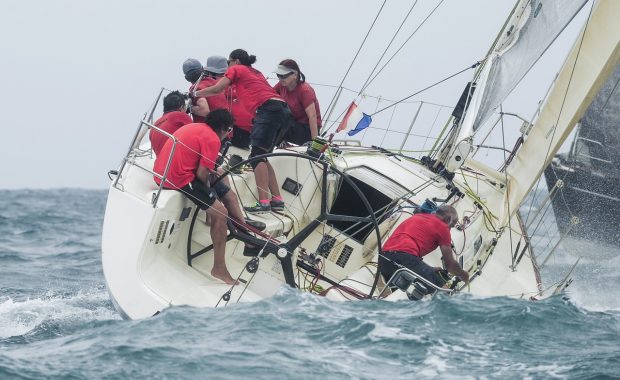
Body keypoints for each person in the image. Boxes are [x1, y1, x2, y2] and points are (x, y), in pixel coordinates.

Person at [152, 109, 259, 284]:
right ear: (224, 129)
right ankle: (219, 268)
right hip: (177, 178)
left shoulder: (197, 127)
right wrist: (212, 199)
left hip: (164, 172)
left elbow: (202, 168)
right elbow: (202, 175)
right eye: (229, 130)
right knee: (220, 213)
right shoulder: (212, 139)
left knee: (229, 195)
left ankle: (247, 237)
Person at [193, 49, 291, 213]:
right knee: (263, 157)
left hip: (268, 110)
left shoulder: (236, 69)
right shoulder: (256, 72)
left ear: (236, 61)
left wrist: (195, 93)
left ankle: (264, 203)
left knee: (256, 157)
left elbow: (217, 89)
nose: (227, 67)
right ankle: (277, 200)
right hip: (283, 111)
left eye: (229, 62)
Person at [379, 205, 470, 295]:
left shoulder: (417, 216)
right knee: (441, 288)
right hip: (403, 258)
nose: (449, 229)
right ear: (448, 219)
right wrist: (463, 274)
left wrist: (429, 269)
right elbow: (450, 265)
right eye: (451, 226)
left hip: (384, 258)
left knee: (404, 289)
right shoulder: (443, 227)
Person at [273, 59, 322, 145]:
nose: (281, 78)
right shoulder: (281, 85)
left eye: (284, 75)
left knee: (275, 120)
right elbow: (269, 96)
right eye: (278, 75)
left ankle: (277, 144)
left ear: (295, 75)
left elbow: (313, 116)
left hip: (307, 130)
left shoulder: (305, 90)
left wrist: (315, 143)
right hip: (293, 124)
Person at [149, 91, 193, 156]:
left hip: (162, 163)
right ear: (182, 107)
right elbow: (195, 135)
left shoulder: (154, 126)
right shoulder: (180, 116)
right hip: (177, 160)